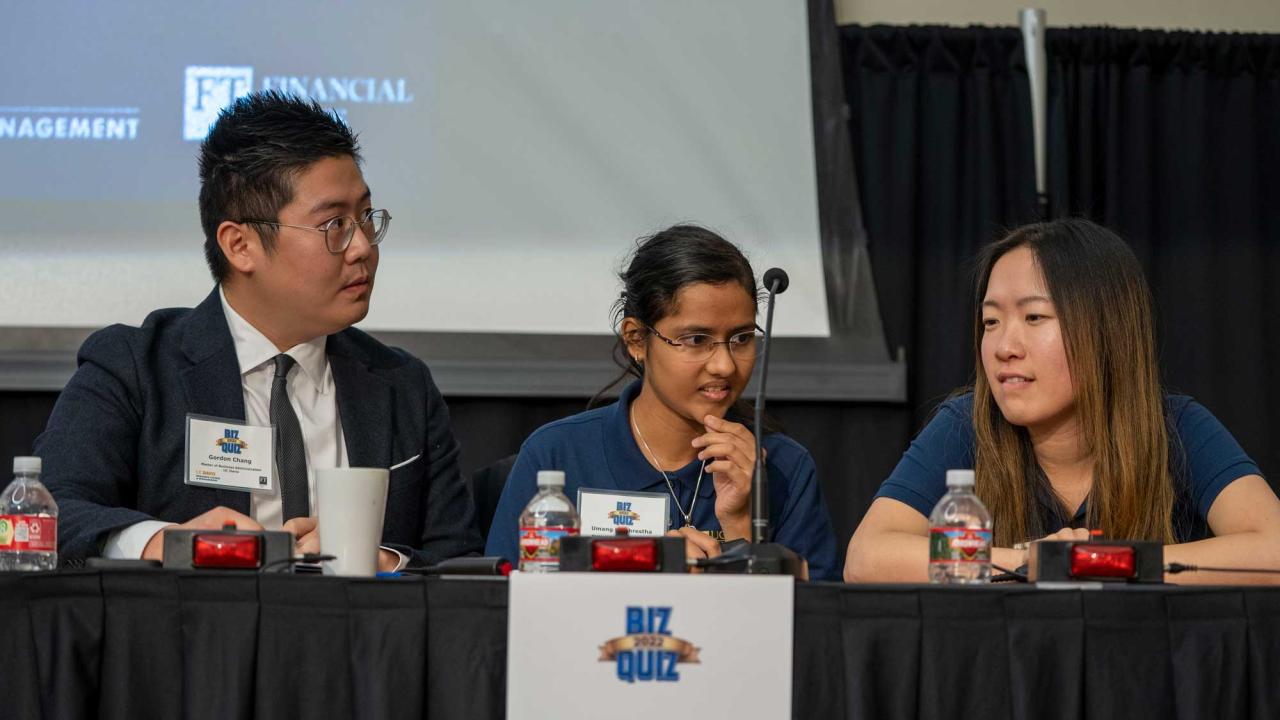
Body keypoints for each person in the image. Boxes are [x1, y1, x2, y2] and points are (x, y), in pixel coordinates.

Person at [36, 91, 482, 569]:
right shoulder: (135, 367)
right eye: (334, 224)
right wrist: (170, 543)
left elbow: (459, 559)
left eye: (365, 218)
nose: (362, 248)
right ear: (240, 245)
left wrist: (382, 559)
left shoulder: (400, 385)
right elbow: (50, 509)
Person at [844, 218, 1280, 584]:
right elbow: (868, 556)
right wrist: (1025, 564)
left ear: (1105, 330)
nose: (1003, 346)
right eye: (991, 321)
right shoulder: (967, 422)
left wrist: (1109, 564)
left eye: (1034, 317)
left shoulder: (1176, 425)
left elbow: (1272, 549)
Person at [484, 224, 838, 580]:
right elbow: (498, 610)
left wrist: (740, 530)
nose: (725, 365)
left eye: (742, 338)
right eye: (697, 339)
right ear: (637, 339)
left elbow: (811, 626)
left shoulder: (785, 468)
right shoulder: (556, 454)